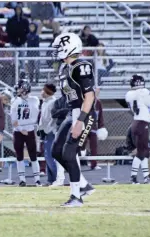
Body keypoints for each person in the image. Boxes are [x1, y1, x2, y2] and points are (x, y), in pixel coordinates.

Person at [51, 32, 96, 207]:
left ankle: (76, 196)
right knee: (56, 151)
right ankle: (84, 185)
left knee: (69, 153)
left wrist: (80, 121)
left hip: (83, 112)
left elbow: (90, 96)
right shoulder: (65, 68)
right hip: (72, 112)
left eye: (58, 48)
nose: (55, 52)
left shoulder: (81, 65)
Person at [11, 79, 40, 187]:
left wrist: (27, 127)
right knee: (19, 155)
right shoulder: (14, 100)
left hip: (29, 130)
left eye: (20, 88)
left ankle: (37, 179)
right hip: (18, 131)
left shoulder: (34, 100)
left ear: (25, 88)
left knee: (33, 155)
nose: (18, 90)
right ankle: (22, 179)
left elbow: (34, 116)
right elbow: (13, 119)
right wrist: (20, 128)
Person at [125, 74, 150, 184]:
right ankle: (133, 177)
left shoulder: (129, 94)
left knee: (144, 151)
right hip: (142, 124)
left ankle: (146, 177)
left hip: (136, 123)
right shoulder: (143, 93)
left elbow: (142, 105)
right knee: (142, 153)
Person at [38, 83, 57, 185]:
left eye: (43, 90)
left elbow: (52, 119)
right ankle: (51, 180)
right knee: (46, 155)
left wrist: (46, 129)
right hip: (45, 132)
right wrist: (40, 128)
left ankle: (57, 178)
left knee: (50, 156)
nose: (41, 92)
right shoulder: (44, 102)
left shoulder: (53, 102)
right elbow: (42, 118)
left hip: (51, 132)